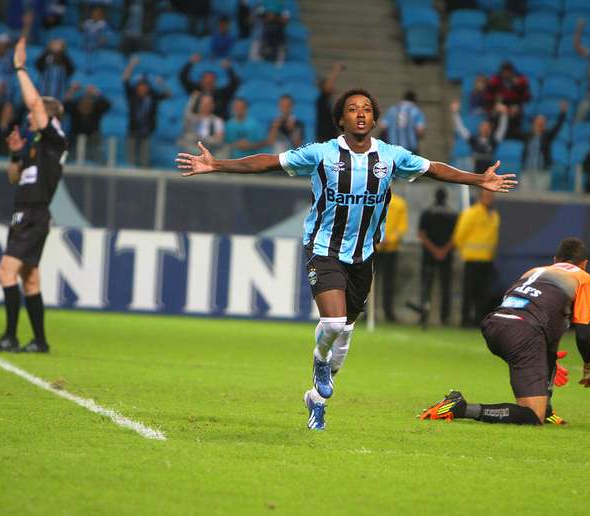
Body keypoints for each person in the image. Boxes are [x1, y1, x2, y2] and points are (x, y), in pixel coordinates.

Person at [176, 88, 517, 430]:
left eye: (367, 109)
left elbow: (435, 169)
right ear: (341, 119)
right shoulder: (322, 153)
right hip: (324, 248)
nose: (360, 113)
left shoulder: (390, 156)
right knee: (335, 324)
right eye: (353, 109)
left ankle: (317, 400)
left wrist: (479, 180)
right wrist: (217, 164)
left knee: (346, 331)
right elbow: (269, 162)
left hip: (364, 256)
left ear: (374, 119)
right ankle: (319, 361)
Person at [420, 237, 590, 425]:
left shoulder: (534, 271)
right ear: (584, 264)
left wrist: (543, 363)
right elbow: (583, 332)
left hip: (494, 324)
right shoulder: (583, 278)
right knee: (532, 416)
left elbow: (538, 319)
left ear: (555, 260)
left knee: (545, 364)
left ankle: (546, 408)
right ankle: (460, 407)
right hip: (523, 332)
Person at [0, 38, 67, 354]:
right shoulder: (35, 146)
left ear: (48, 116)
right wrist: (15, 154)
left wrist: (20, 67)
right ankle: (40, 341)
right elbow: (14, 177)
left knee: (5, 271)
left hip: (34, 214)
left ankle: (10, 336)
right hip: (26, 213)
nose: (31, 115)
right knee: (30, 279)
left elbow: (33, 104)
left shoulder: (55, 139)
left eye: (37, 112)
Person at [452, 189, 501, 327]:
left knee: (483, 293)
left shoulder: (494, 215)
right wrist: (465, 252)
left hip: (487, 260)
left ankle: (478, 320)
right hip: (472, 259)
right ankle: (465, 320)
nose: (489, 199)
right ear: (480, 197)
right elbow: (459, 236)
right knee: (469, 291)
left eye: (491, 196)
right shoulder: (471, 213)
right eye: (487, 196)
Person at [414, 188, 458, 328]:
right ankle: (445, 317)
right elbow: (456, 236)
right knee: (446, 287)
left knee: (426, 286)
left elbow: (421, 234)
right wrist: (443, 251)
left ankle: (423, 315)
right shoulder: (453, 214)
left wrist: (433, 250)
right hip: (447, 255)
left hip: (429, 254)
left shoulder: (427, 212)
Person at [123, 56, 171, 167]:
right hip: (133, 130)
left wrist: (162, 84)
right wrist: (131, 65)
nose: (143, 88)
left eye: (145, 86)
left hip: (147, 131)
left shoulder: (152, 97)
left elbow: (169, 94)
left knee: (145, 161)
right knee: (130, 161)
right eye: (140, 86)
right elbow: (125, 79)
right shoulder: (132, 95)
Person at [374, 193, 408, 322]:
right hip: (375, 247)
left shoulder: (399, 204)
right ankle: (368, 312)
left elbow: (401, 228)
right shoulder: (375, 198)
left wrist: (387, 239)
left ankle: (387, 311)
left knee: (388, 283)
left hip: (388, 248)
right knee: (368, 282)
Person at [519, 101, 567, 191]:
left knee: (541, 199)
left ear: (545, 124)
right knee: (525, 198)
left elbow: (557, 127)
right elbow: (514, 130)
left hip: (542, 172)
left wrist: (563, 113)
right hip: (526, 171)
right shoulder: (527, 136)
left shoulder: (547, 136)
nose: (540, 123)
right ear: (534, 123)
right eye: (538, 121)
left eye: (542, 122)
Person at [451, 99, 508, 173]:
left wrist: (504, 114)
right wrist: (455, 113)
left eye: (487, 127)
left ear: (490, 129)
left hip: (489, 172)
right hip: (475, 171)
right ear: (479, 128)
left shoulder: (494, 140)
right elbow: (460, 128)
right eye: (483, 126)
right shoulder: (473, 139)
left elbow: (502, 128)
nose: (485, 128)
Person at [179, 54, 239, 120]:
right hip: (197, 125)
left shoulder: (222, 94)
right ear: (201, 81)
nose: (208, 82)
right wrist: (190, 63)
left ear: (215, 82)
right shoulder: (195, 92)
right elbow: (183, 78)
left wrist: (229, 69)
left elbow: (235, 83)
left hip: (219, 126)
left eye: (211, 80)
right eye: (205, 79)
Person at [64, 82, 111, 162]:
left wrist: (96, 93)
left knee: (100, 160)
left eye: (88, 101)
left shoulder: (96, 109)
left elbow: (107, 104)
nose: (86, 103)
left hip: (93, 140)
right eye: (83, 101)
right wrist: (71, 91)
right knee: (66, 158)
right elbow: (64, 106)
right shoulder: (74, 108)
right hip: (75, 140)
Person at [484, 61, 530, 139]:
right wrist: (496, 105)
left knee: (515, 114)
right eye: (504, 72)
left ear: (512, 72)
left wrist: (518, 107)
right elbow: (488, 96)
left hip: (514, 106)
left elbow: (527, 97)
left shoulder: (520, 80)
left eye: (508, 72)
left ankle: (513, 136)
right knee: (496, 115)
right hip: (499, 105)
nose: (506, 74)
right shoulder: (495, 80)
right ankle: (494, 136)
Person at [315, 61, 344, 142]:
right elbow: (328, 86)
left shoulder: (328, 102)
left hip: (331, 138)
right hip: (324, 139)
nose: (332, 87)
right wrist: (336, 70)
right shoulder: (321, 99)